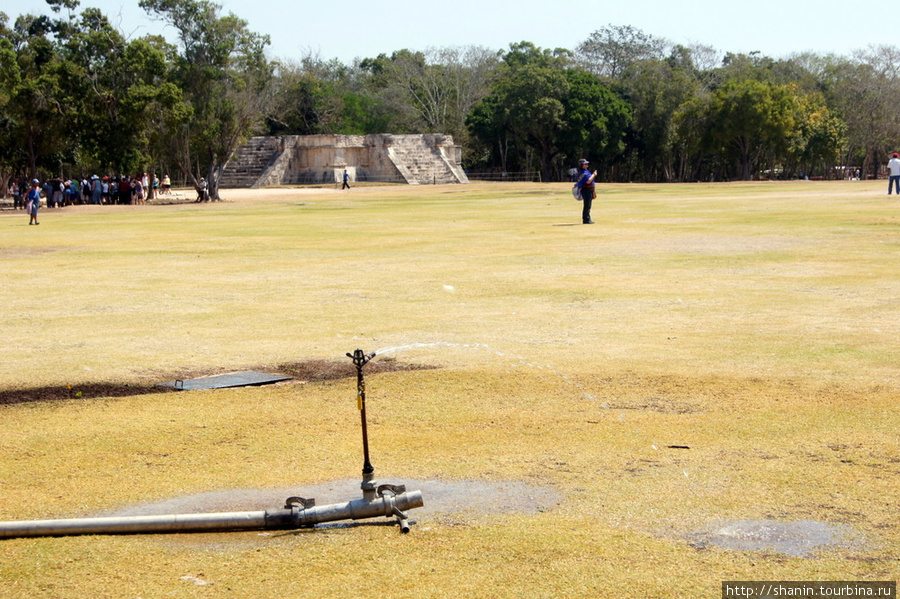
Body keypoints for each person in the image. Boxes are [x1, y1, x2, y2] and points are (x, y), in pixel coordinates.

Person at [574, 158, 598, 224]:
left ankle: (587, 218)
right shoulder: (584, 172)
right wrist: (594, 174)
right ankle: (586, 219)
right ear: (582, 165)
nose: (587, 165)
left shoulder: (584, 171)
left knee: (587, 205)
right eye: (585, 164)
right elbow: (588, 181)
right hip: (587, 190)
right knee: (587, 205)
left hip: (587, 190)